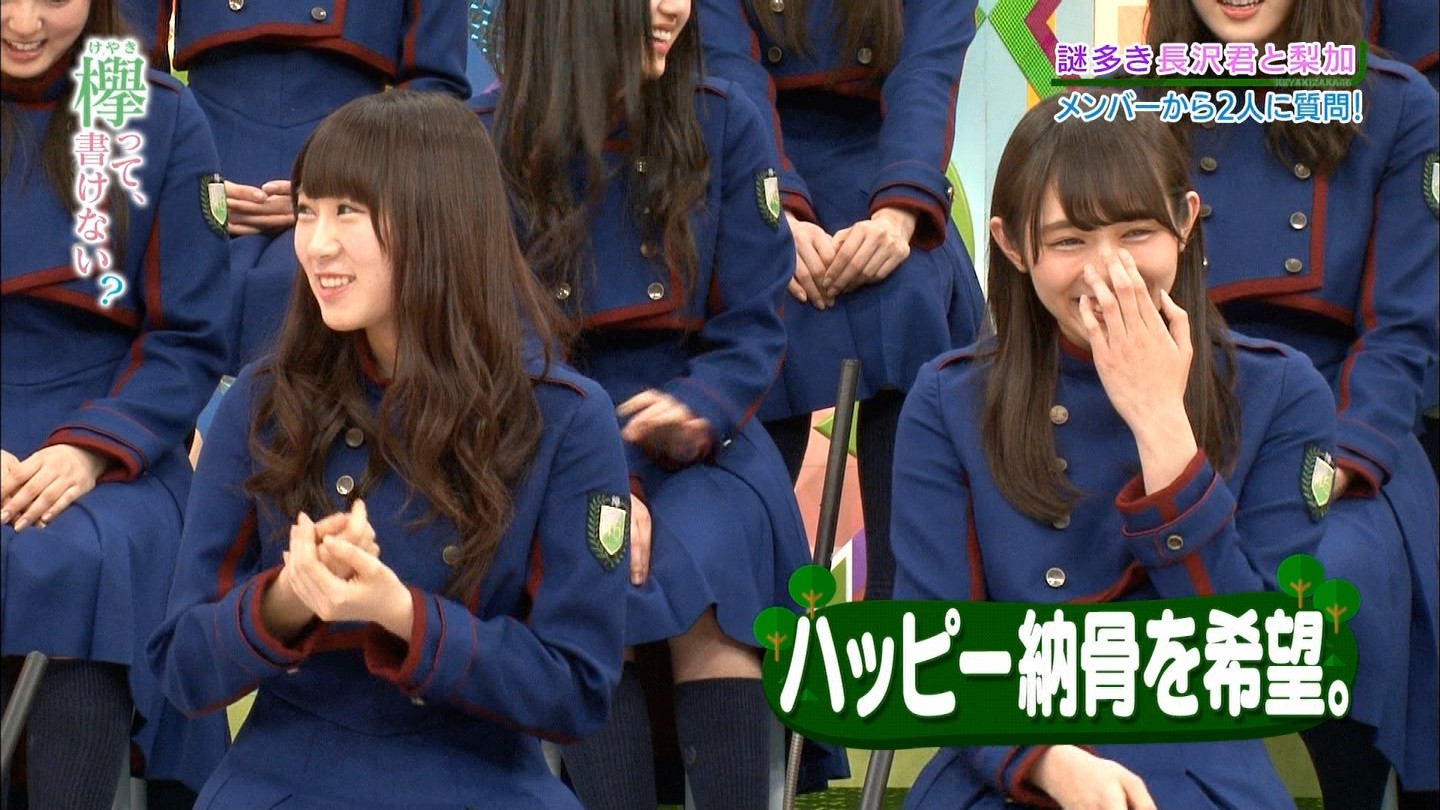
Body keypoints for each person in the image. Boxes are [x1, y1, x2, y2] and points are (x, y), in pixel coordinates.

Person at [147, 90, 633, 808]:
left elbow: (576, 690)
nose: (316, 244)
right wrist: (288, 597)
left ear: (440, 222)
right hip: (282, 782)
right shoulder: (262, 401)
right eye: (306, 211)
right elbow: (183, 669)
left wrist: (401, 613)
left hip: (480, 783)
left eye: (349, 211)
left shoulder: (565, 418)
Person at [892, 95, 1339, 809]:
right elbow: (931, 646)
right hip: (1008, 754)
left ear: (1186, 221)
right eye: (1069, 242)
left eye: (1137, 232)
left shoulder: (1280, 391)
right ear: (1012, 245)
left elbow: (1262, 656)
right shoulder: (950, 401)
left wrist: (1161, 422)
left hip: (1196, 758)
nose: (1108, 272)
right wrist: (1049, 763)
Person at [477, 0, 812, 806]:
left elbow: (753, 325)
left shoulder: (723, 119)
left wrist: (699, 409)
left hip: (701, 423)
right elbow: (495, 346)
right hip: (544, 428)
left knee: (713, 557)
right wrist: (605, 477)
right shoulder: (478, 139)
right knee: (596, 570)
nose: (673, 7)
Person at [1146, 1, 1440, 806]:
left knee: (1333, 586)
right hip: (1160, 413)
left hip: (1336, 435)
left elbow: (1400, 334)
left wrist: (1331, 463)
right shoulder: (1130, 102)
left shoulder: (1398, 105)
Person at [1, 0, 232, 804]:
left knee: (85, 554)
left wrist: (90, 448)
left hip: (117, 436)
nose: (24, 23)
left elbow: (188, 338)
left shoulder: (152, 109)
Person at [698, 0, 986, 604]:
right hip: (746, 165)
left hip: (885, 167)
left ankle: (905, 601)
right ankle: (751, 614)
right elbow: (730, 69)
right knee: (764, 308)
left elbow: (926, 74)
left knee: (908, 295)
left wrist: (899, 212)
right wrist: (774, 214)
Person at [137, 0, 470, 369]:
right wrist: (178, 180)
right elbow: (119, 61)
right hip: (195, 174)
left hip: (355, 179)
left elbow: (433, 92)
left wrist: (340, 194)